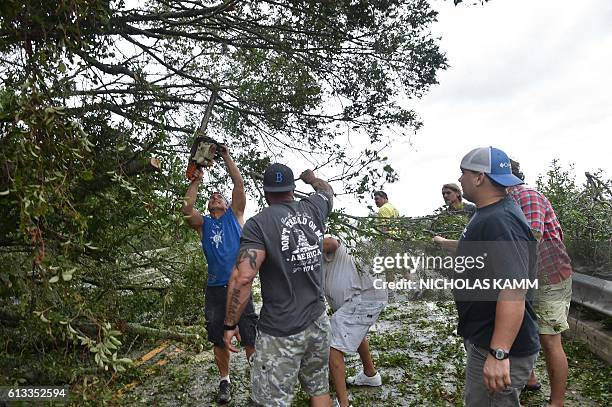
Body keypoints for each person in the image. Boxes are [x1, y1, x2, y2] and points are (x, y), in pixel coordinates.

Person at [434, 146, 540, 407]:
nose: (459, 180)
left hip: (498, 345)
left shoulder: (500, 220)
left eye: (463, 173)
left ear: (480, 177)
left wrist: (499, 353)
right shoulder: (488, 213)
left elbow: (514, 288)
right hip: (485, 337)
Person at [222, 164, 334, 407]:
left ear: (265, 192)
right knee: (319, 388)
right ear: (292, 189)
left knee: (271, 402)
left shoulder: (258, 224)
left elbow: (243, 278)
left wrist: (230, 323)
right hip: (318, 322)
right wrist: (312, 179)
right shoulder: (315, 207)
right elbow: (327, 190)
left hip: (280, 331)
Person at [181, 145, 257, 404]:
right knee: (217, 337)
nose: (215, 196)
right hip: (215, 288)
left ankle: (256, 378)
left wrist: (225, 155)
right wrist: (196, 180)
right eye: (211, 196)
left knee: (249, 333)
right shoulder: (204, 224)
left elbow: (239, 184)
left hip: (240, 286)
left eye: (219, 195)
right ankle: (225, 380)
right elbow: (186, 209)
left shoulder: (235, 216)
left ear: (227, 203)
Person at [508, 159, 573, 407]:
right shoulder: (507, 201)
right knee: (526, 328)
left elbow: (530, 241)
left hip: (549, 276)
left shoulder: (527, 196)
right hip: (530, 276)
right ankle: (531, 379)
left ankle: (557, 402)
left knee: (549, 338)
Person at [322, 236, 387, 407]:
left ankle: (344, 404)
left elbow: (332, 243)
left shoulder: (324, 236)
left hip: (364, 298)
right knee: (352, 329)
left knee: (333, 346)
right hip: (364, 298)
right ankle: (370, 374)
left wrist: (303, 247)